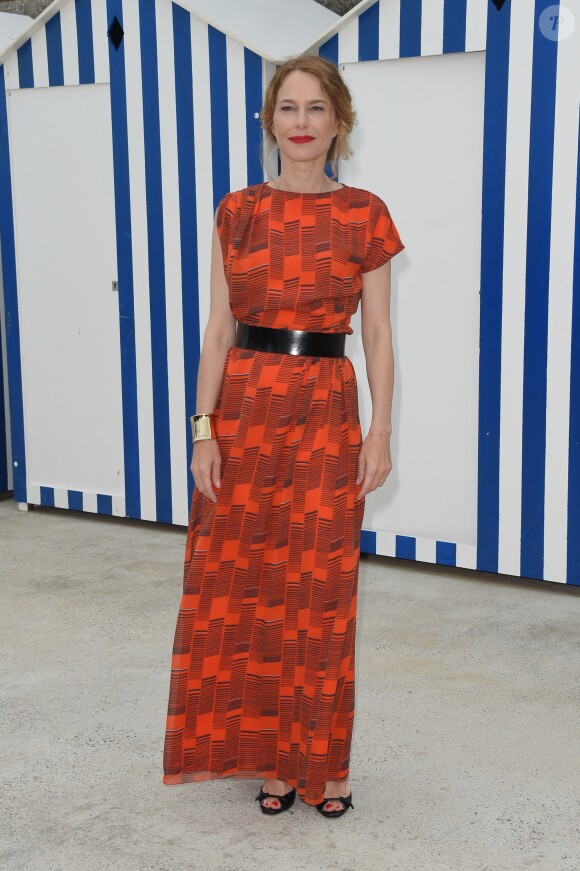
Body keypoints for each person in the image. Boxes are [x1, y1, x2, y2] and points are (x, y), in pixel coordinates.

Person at [162, 54, 405, 819]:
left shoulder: (366, 214)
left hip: (328, 412)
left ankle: (322, 764)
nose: (301, 123)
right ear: (270, 121)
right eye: (288, 108)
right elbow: (216, 329)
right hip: (244, 412)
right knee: (251, 587)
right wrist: (203, 429)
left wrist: (380, 432)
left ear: (340, 122)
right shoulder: (238, 212)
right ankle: (270, 758)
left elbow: (378, 334)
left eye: (317, 109)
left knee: (323, 591)